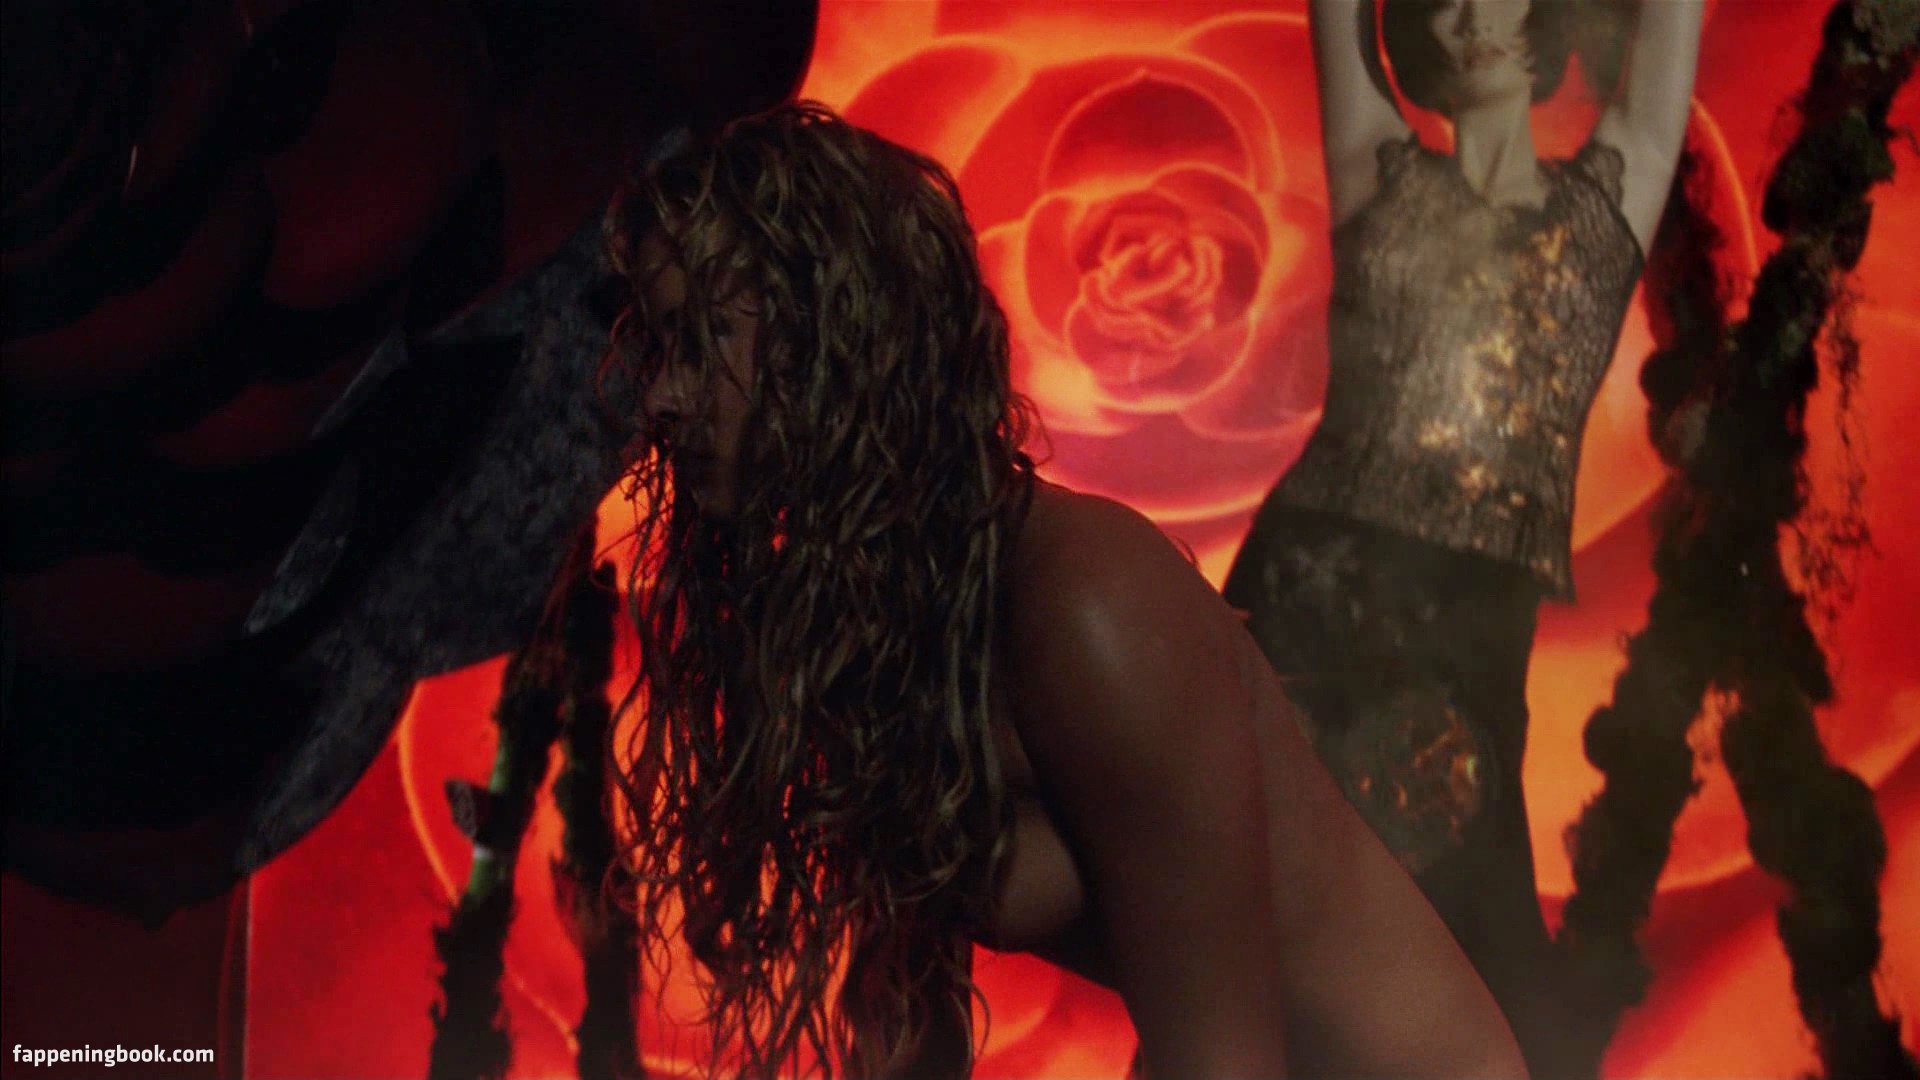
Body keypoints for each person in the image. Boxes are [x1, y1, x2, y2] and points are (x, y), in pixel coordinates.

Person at [603, 102, 1528, 1080]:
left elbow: (1226, 1065)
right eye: (661, 350)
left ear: (830, 341)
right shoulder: (871, 614)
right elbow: (907, 1011)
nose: (660, 398)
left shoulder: (1088, 605)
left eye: (702, 342)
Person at [1221, 0, 1703, 1072]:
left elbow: (1675, 21)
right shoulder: (1379, 174)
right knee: (1256, 927)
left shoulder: (1606, 205)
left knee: (1482, 972)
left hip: (1469, 640)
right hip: (1304, 602)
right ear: (1418, 34)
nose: (1476, 13)